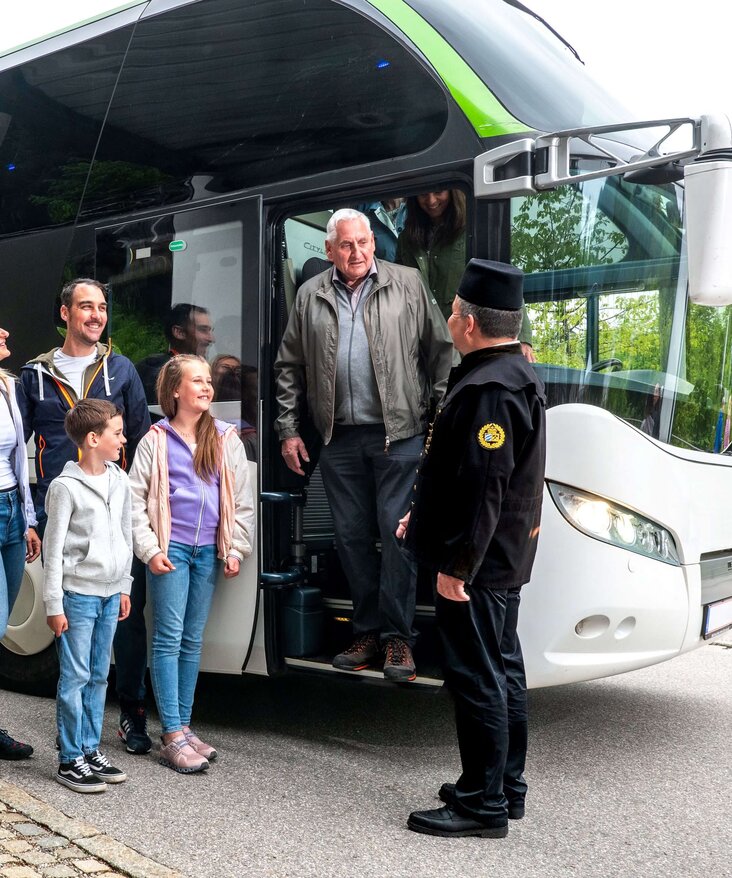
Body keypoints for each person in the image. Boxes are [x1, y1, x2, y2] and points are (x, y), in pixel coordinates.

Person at [399, 259, 546, 838]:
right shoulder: (514, 372)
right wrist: (424, 511)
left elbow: (487, 486)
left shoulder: (489, 388)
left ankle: (481, 804)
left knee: (477, 675)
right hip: (502, 557)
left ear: (467, 323)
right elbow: (467, 475)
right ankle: (502, 785)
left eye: (454, 312)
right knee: (504, 668)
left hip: (478, 565)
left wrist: (457, 567)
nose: (451, 321)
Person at [274, 208, 453, 681]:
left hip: (401, 434)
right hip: (338, 438)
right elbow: (289, 366)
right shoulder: (310, 294)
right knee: (350, 538)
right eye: (346, 246)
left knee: (398, 538)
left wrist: (442, 421)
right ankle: (368, 631)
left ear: (374, 243)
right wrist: (289, 429)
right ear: (329, 250)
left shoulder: (407, 282)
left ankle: (398, 640)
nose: (357, 253)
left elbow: (441, 352)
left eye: (364, 243)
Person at [17, 278, 153, 756]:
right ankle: (74, 745)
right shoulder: (35, 375)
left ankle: (133, 712)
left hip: (112, 511)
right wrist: (31, 514)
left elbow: (140, 439)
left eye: (101, 308)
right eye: (85, 307)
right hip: (63, 508)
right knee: (75, 626)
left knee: (125, 618)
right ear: (65, 314)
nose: (96, 315)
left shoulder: (121, 369)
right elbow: (18, 448)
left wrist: (133, 507)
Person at [129, 355, 254, 773]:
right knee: (167, 638)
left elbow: (242, 504)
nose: (206, 387)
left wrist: (235, 549)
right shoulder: (156, 440)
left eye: (208, 381)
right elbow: (134, 504)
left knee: (191, 640)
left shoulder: (225, 437)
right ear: (175, 391)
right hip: (171, 551)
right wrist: (150, 550)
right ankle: (171, 735)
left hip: (207, 554)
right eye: (196, 381)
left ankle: (184, 727)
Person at [44, 399, 132, 793]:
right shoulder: (65, 488)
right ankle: (69, 758)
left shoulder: (119, 479)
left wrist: (125, 584)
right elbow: (53, 548)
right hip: (77, 596)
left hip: (110, 593)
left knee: (99, 675)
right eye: (117, 432)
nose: (123, 439)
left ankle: (90, 749)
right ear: (93, 438)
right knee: (75, 676)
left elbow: (127, 535)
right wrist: (53, 604)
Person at [396, 190, 536, 361]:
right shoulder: (406, 239)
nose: (431, 200)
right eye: (423, 194)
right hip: (423, 341)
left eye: (439, 192)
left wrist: (522, 338)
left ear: (452, 192)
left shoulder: (471, 231)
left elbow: (501, 281)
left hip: (464, 337)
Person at [0, 326, 41, 759]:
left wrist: (28, 521)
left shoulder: (8, 386)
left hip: (10, 508)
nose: (6, 331)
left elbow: (18, 458)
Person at [136, 303, 215, 403]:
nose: (211, 339)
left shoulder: (204, 369)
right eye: (203, 330)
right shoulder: (157, 372)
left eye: (210, 331)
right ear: (179, 333)